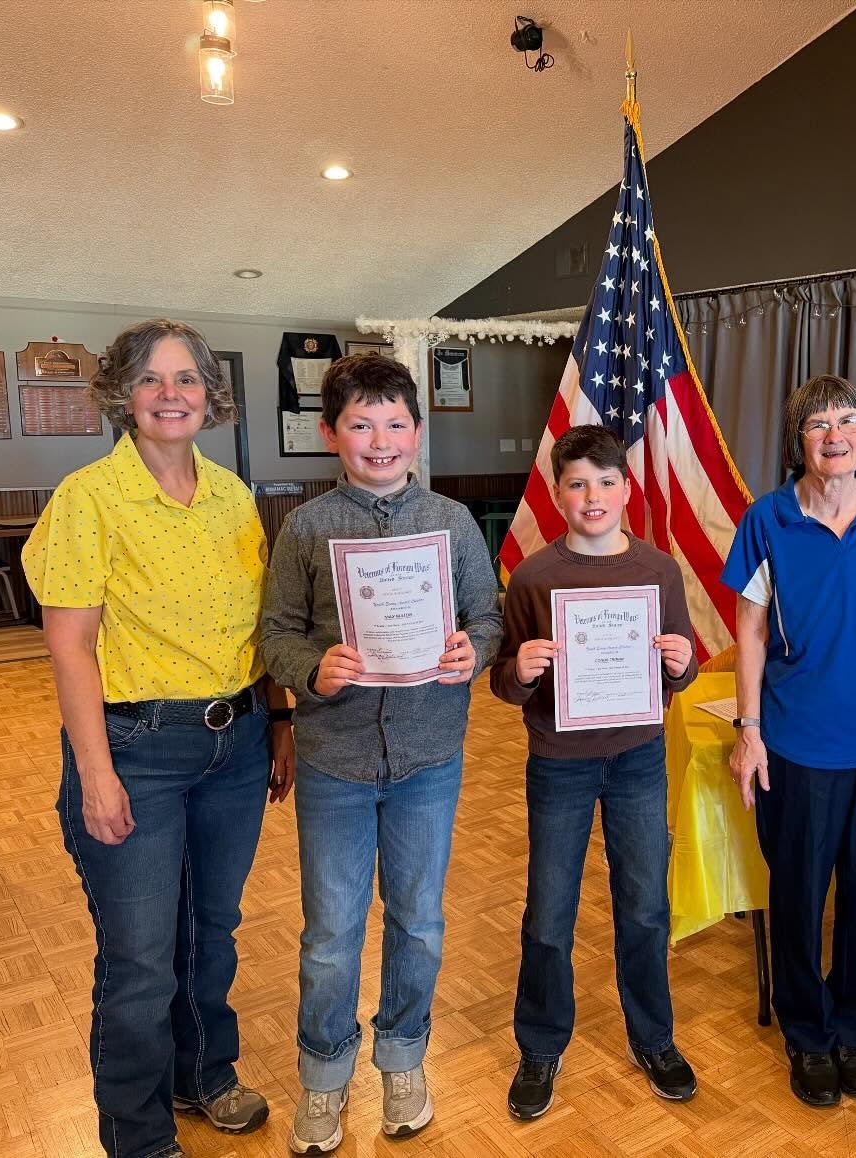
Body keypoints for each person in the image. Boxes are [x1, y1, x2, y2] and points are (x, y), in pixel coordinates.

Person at [24, 318, 294, 1158]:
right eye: (151, 379)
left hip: (238, 742)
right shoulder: (88, 498)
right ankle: (137, 1136)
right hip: (137, 748)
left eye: (186, 379)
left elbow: (261, 623)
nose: (170, 394)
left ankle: (204, 1075)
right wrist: (95, 775)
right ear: (124, 396)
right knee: (140, 957)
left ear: (209, 396)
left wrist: (278, 717)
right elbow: (69, 646)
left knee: (211, 928)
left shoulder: (232, 497)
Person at [260, 353, 503, 1153]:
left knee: (420, 921)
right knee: (330, 932)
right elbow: (276, 637)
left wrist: (477, 650)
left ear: (417, 432)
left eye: (396, 424)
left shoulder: (454, 523)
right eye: (361, 424)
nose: (380, 439)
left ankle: (403, 1061)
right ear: (331, 434)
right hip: (336, 758)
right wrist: (310, 671)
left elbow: (489, 617)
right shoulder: (304, 529)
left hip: (430, 756)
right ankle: (324, 1079)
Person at [722, 374, 856, 1107]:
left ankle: (853, 1028)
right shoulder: (766, 520)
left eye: (846, 420)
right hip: (798, 742)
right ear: (797, 441)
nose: (834, 435)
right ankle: (807, 1035)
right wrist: (749, 731)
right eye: (817, 424)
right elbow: (746, 629)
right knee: (800, 895)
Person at [490, 423, 700, 1121]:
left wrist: (680, 664)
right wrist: (517, 673)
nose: (593, 495)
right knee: (549, 913)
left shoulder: (659, 569)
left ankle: (654, 1038)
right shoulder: (535, 576)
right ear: (557, 493)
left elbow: (679, 671)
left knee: (644, 907)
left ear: (627, 489)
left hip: (639, 758)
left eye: (606, 482)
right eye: (577, 483)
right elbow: (505, 680)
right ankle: (541, 1043)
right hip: (559, 764)